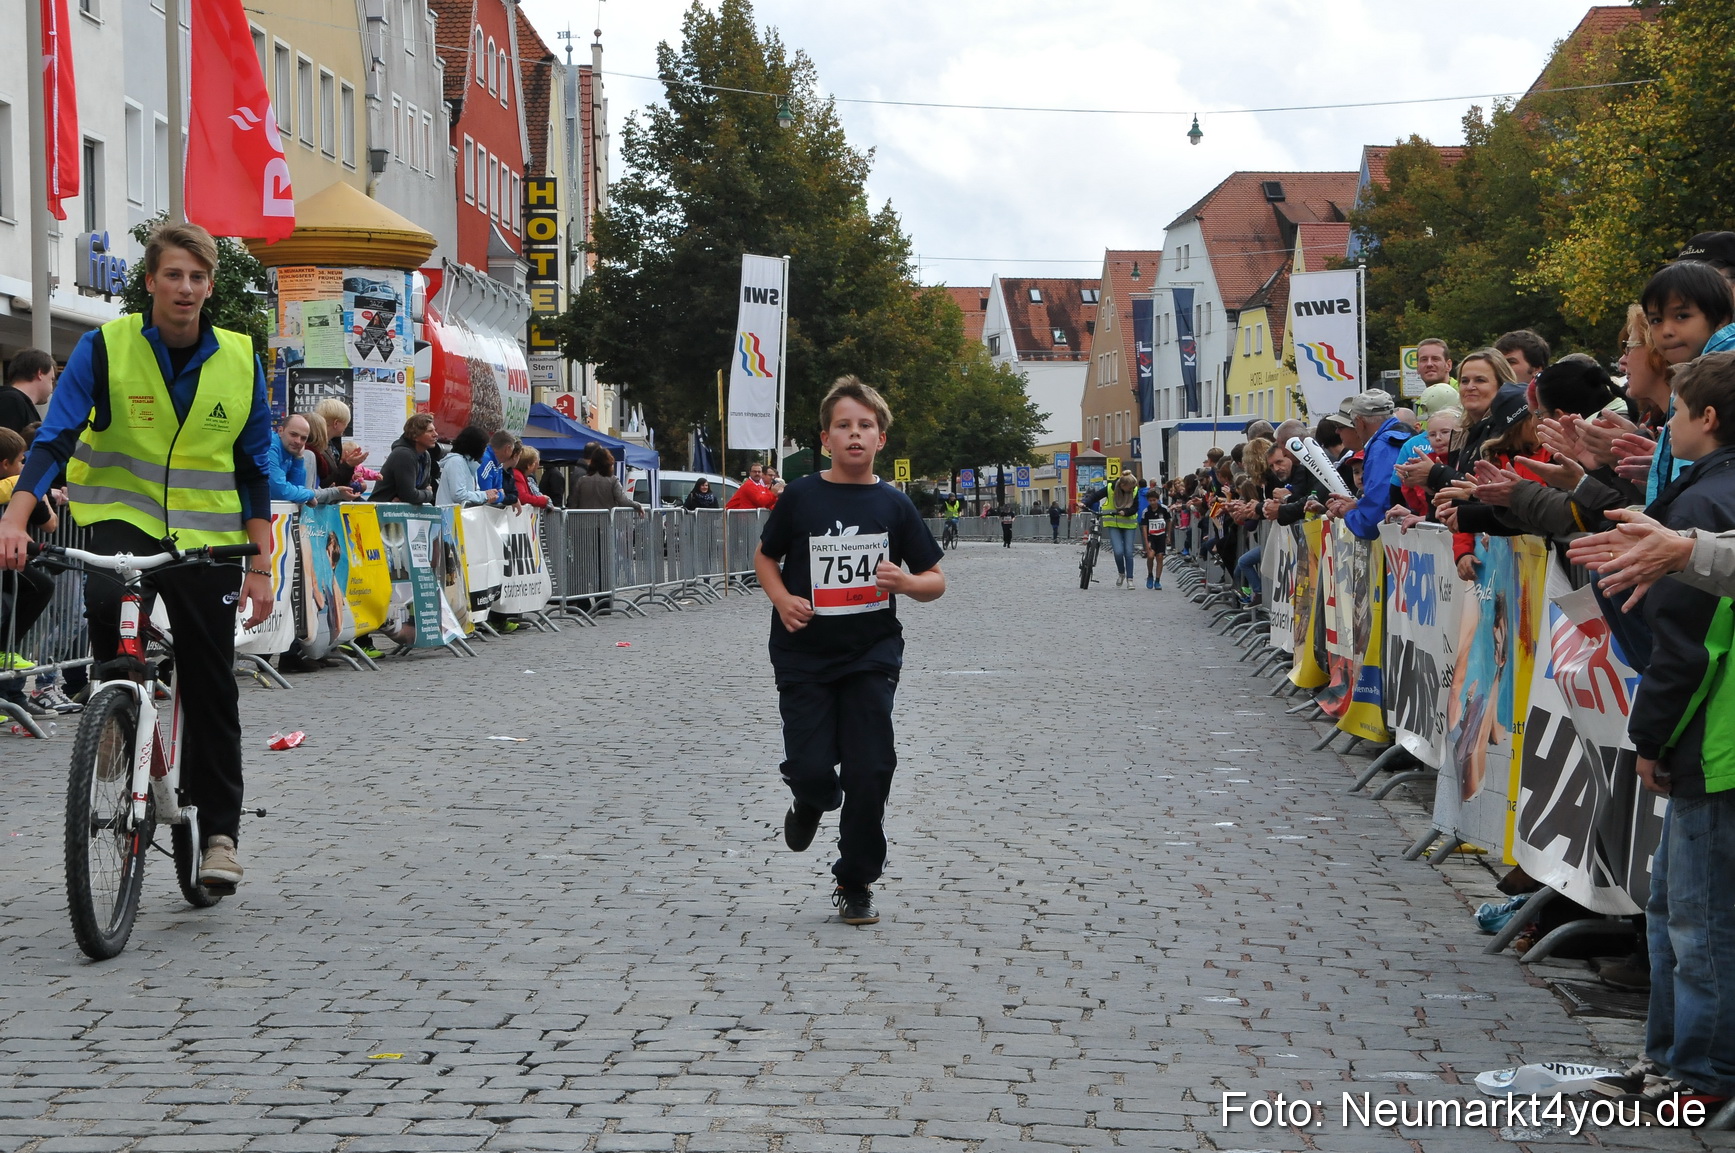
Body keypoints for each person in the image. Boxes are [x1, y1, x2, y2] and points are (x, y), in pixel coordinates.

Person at [0, 220, 274, 889]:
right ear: (149, 281)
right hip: (120, 521)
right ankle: (116, 718)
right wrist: (15, 514)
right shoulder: (105, 348)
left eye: (197, 277)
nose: (185, 287)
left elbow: (254, 468)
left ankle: (218, 832)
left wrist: (262, 563)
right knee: (106, 613)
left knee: (211, 677)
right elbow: (55, 436)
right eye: (173, 274)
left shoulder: (240, 357)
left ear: (209, 286)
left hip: (208, 537)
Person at [1575, 350, 1735, 1117]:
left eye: (1674, 413)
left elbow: (1689, 640)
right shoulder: (1704, 490)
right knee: (1675, 910)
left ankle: (1698, 1072)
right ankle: (1671, 1058)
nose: (1665, 426)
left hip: (1713, 736)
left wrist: (1652, 735)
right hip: (1709, 731)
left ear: (1706, 419)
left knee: (1697, 921)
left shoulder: (1707, 501)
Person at [756, 375, 945, 926]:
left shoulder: (894, 504)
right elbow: (765, 556)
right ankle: (811, 797)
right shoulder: (802, 496)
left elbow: (935, 579)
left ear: (881, 439)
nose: (855, 434)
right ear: (825, 438)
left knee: (871, 767)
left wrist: (905, 584)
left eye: (866, 426)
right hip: (803, 654)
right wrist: (783, 597)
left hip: (871, 653)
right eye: (844, 426)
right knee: (813, 767)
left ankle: (856, 877)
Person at [0, 427, 58, 718]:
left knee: (23, 596)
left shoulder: (13, 483)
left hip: (9, 559)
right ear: (5, 464)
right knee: (30, 593)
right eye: (21, 460)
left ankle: (8, 688)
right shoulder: (15, 483)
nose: (24, 466)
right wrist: (36, 486)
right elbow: (50, 522)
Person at [1324, 390, 1408, 540]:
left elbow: (1372, 521)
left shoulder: (1381, 447)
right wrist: (1358, 506)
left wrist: (1349, 513)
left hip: (1399, 543)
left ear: (1360, 422)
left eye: (1353, 423)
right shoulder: (1407, 434)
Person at [267, 414, 355, 506]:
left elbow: (298, 488)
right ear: (280, 431)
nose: (298, 441)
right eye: (293, 434)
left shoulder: (293, 452)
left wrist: (299, 459)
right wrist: (310, 495)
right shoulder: (269, 447)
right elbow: (280, 491)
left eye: (303, 438)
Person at [1081, 472, 1142, 589]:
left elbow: (1135, 507)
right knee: (1118, 552)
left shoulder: (1134, 491)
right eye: (1130, 487)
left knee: (1128, 552)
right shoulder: (1110, 488)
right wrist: (1084, 503)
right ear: (1122, 485)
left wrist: (1126, 512)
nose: (1132, 489)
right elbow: (1095, 496)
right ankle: (1121, 573)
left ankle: (1130, 579)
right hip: (1113, 523)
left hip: (1129, 524)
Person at [370, 413, 439, 505]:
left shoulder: (425, 455)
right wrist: (428, 494)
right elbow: (409, 495)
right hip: (381, 512)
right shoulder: (404, 454)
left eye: (434, 430)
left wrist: (422, 495)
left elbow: (419, 491)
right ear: (415, 436)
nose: (435, 434)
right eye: (430, 431)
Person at [435, 425, 503, 507]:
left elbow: (474, 490)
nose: (485, 450)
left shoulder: (471, 464)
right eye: (484, 446)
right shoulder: (456, 462)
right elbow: (458, 494)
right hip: (449, 516)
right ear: (475, 446)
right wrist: (484, 495)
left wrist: (486, 495)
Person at [311, 397, 367, 487]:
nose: (346, 428)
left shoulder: (332, 446)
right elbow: (326, 483)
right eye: (345, 423)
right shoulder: (317, 448)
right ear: (336, 423)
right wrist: (348, 465)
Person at [0, 348, 55, 434]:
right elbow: (7, 446)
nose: (52, 388)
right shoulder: (11, 401)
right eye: (51, 379)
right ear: (40, 374)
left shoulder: (15, 401)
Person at [571, 446, 641, 511]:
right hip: (606, 521)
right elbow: (623, 501)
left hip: (585, 522)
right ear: (608, 464)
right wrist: (638, 506)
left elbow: (574, 502)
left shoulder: (582, 480)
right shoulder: (613, 480)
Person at [1414, 337, 1459, 419]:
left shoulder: (1463, 394)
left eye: (1435, 359)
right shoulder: (1424, 402)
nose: (1429, 364)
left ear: (1448, 365)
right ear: (1417, 368)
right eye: (1424, 360)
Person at [476, 430, 520, 506]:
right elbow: (488, 496)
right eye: (512, 450)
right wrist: (501, 495)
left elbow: (498, 490)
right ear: (507, 449)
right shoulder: (486, 461)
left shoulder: (498, 463)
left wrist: (499, 494)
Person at [1140, 490, 1168, 589]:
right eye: (1150, 500)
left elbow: (1169, 521)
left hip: (1161, 536)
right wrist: (1146, 542)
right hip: (1151, 536)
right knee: (1151, 556)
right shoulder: (1146, 512)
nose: (1152, 502)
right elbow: (1144, 527)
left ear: (1158, 500)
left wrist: (1168, 535)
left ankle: (1157, 580)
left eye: (1154, 500)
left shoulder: (1164, 509)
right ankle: (1150, 574)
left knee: (1160, 557)